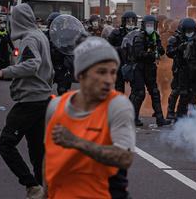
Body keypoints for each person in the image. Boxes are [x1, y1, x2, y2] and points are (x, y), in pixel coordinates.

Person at [44, 36, 135, 198]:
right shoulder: (56, 107)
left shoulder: (118, 106)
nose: (109, 80)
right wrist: (45, 193)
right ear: (81, 75)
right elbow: (48, 156)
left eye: (113, 72)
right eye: (101, 72)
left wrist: (76, 142)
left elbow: (125, 158)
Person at [0, 3, 54, 199]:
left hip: (30, 101)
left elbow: (32, 64)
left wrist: (2, 72)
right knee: (37, 151)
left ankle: (32, 186)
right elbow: (49, 69)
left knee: (5, 144)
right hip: (42, 100)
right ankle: (43, 189)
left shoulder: (29, 39)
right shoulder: (40, 35)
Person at [126, 15, 170, 127]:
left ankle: (160, 118)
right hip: (139, 68)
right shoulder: (139, 37)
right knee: (139, 93)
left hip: (150, 68)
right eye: (148, 25)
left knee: (155, 92)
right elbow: (138, 54)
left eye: (152, 25)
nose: (150, 27)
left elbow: (161, 52)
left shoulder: (156, 37)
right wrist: (150, 53)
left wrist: (158, 49)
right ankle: (133, 118)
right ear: (144, 26)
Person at [108, 11, 138, 93]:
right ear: (124, 21)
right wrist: (119, 49)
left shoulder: (139, 33)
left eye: (132, 21)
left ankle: (133, 104)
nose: (130, 23)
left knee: (136, 88)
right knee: (119, 87)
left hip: (133, 63)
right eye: (128, 21)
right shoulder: (116, 33)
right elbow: (107, 47)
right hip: (120, 62)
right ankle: (120, 104)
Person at [165, 21, 184, 121]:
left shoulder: (194, 37)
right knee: (176, 91)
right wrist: (179, 49)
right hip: (179, 69)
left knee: (189, 92)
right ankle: (170, 112)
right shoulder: (175, 38)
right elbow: (169, 52)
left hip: (191, 69)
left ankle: (181, 112)